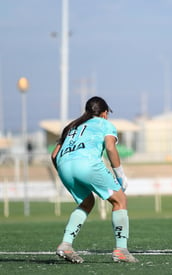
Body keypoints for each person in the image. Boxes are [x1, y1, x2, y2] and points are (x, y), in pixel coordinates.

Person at [51, 96, 138, 263]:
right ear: (104, 113)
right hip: (87, 164)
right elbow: (111, 148)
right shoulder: (105, 124)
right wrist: (120, 175)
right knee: (120, 200)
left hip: (63, 166)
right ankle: (121, 249)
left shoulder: (72, 127)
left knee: (87, 202)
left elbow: (54, 155)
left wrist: (65, 172)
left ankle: (66, 244)